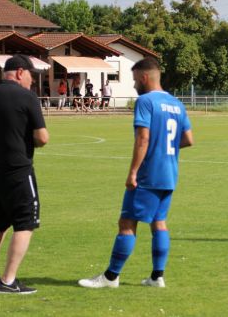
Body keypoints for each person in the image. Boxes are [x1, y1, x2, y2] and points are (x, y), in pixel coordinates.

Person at [78, 57, 193, 289]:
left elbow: (143, 138)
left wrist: (133, 172)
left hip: (148, 174)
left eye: (134, 80)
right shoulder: (176, 103)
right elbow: (189, 139)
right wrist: (164, 148)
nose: (133, 86)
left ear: (144, 77)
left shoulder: (146, 102)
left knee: (127, 223)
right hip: (169, 174)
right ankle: (157, 277)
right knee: (159, 222)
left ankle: (111, 277)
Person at [0, 54, 49, 294]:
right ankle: (8, 281)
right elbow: (42, 138)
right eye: (30, 76)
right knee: (26, 220)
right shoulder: (27, 97)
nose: (32, 82)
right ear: (19, 72)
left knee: (1, 219)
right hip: (18, 168)